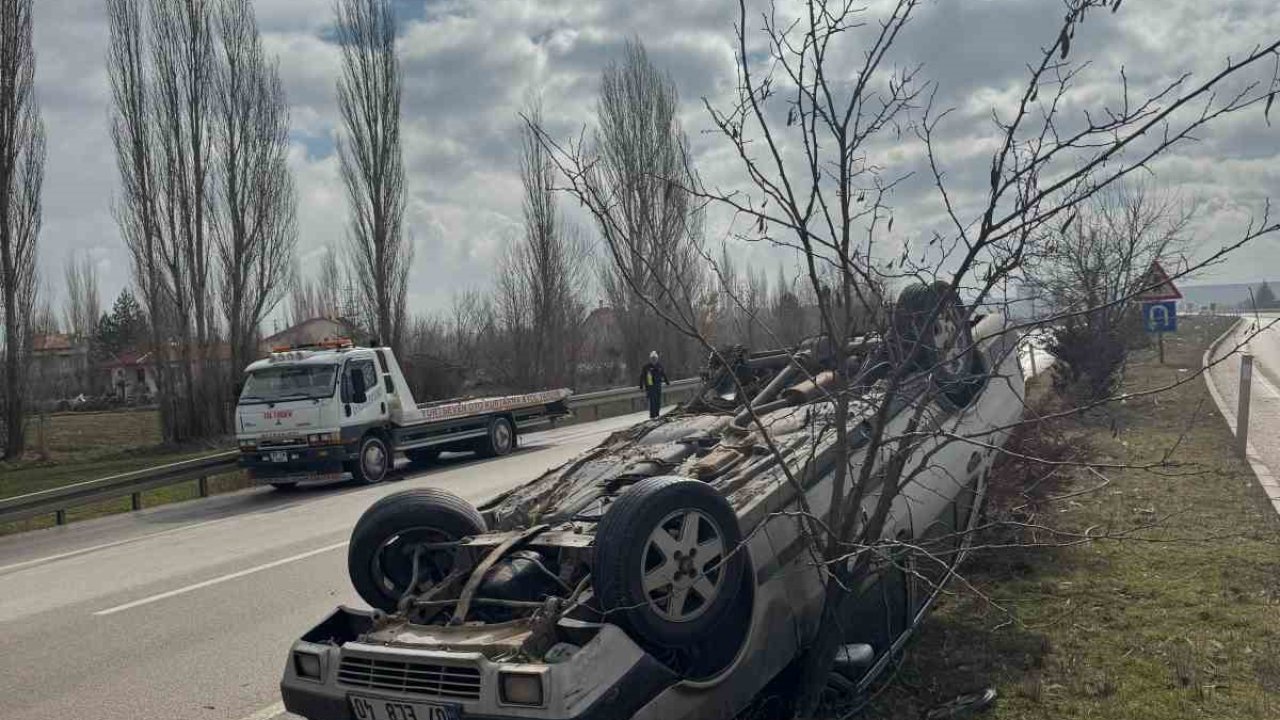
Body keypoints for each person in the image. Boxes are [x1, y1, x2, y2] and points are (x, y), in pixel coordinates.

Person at [639, 350, 669, 419]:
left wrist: (667, 382)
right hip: (650, 387)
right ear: (650, 359)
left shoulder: (659, 366)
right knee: (652, 401)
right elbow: (642, 376)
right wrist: (641, 386)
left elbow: (663, 374)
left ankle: (657, 414)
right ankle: (652, 416)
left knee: (658, 401)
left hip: (658, 386)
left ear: (657, 359)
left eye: (655, 358)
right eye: (652, 358)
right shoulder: (646, 367)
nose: (654, 360)